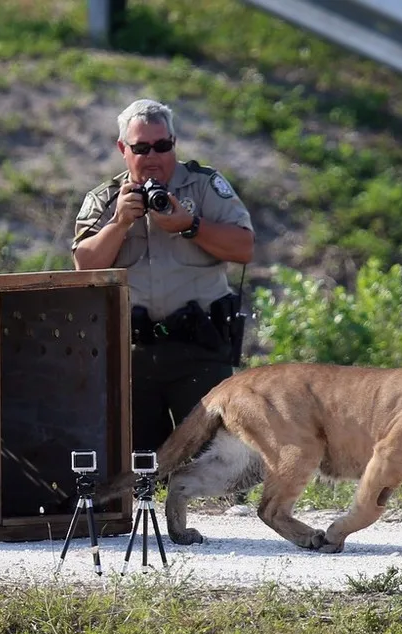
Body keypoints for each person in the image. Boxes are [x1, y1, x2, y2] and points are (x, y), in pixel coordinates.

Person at [73, 99, 255, 456]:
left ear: (174, 142)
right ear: (123, 149)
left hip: (199, 347)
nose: (153, 156)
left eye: (163, 146)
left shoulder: (204, 186)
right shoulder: (106, 198)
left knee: (216, 461)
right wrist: (119, 224)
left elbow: (244, 247)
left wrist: (191, 225)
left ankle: (226, 513)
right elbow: (85, 266)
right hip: (133, 354)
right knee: (138, 467)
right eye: (141, 148)